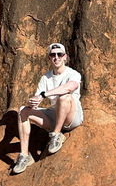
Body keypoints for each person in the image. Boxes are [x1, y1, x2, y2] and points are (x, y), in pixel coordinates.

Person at [12, 42, 84, 174]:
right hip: (54, 115)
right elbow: (37, 100)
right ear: (49, 58)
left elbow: (69, 87)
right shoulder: (45, 78)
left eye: (59, 54)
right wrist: (32, 102)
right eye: (53, 55)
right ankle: (24, 156)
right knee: (23, 111)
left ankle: (56, 135)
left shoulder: (73, 74)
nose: (56, 57)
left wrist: (44, 95)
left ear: (65, 57)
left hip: (71, 117)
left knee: (64, 97)